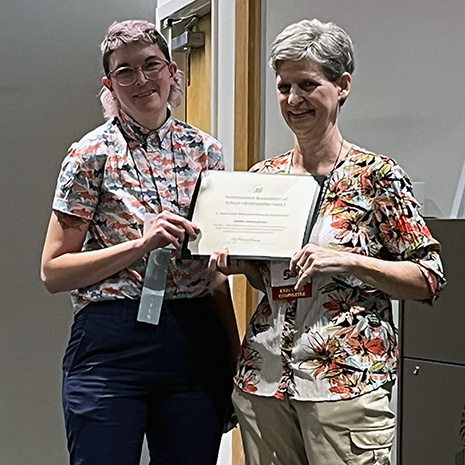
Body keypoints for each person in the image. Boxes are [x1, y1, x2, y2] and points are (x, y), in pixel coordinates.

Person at [208, 18, 446, 465]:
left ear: (342, 86)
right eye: (284, 87)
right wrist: (241, 265)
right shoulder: (264, 178)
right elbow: (272, 282)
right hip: (265, 381)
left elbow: (428, 279)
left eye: (307, 85)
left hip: (345, 384)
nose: (293, 99)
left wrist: (348, 261)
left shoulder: (376, 176)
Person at [41, 19, 238, 465]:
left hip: (193, 334)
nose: (141, 79)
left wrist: (234, 352)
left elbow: (215, 276)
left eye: (151, 65)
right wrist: (139, 246)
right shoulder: (90, 154)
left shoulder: (206, 151)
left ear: (172, 71)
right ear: (109, 85)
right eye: (125, 71)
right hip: (111, 340)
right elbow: (53, 271)